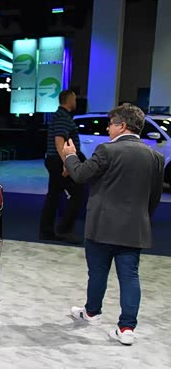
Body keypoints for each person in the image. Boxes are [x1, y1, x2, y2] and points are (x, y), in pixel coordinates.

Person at [61, 103, 165, 345]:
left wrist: (70, 156)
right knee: (130, 276)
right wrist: (141, 217)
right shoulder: (156, 157)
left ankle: (92, 313)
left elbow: (80, 175)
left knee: (97, 272)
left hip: (101, 225)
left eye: (110, 124)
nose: (108, 129)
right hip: (135, 227)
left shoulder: (106, 150)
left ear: (122, 126)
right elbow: (154, 198)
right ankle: (126, 328)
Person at [39, 89, 84, 243]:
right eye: (74, 99)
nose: (76, 102)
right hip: (58, 161)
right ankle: (64, 230)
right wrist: (67, 163)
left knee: (53, 195)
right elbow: (59, 142)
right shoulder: (62, 117)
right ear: (68, 100)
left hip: (55, 160)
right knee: (77, 192)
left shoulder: (60, 116)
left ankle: (47, 231)